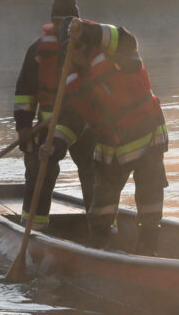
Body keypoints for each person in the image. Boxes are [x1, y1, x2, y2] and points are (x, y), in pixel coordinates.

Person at [46, 15, 169, 254]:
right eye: (71, 51)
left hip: (148, 139)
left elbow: (124, 37)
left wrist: (87, 31)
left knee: (149, 200)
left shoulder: (121, 55)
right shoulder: (71, 81)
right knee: (101, 208)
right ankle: (99, 248)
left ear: (88, 43)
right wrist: (56, 146)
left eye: (80, 47)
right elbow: (72, 121)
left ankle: (148, 248)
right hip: (111, 148)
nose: (77, 54)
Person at [13, 0, 96, 230]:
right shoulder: (38, 51)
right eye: (61, 22)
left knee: (94, 174)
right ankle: (34, 231)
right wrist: (24, 127)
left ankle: (101, 229)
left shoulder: (86, 50)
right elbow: (24, 94)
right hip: (48, 127)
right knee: (41, 173)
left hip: (84, 125)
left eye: (68, 22)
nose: (64, 27)